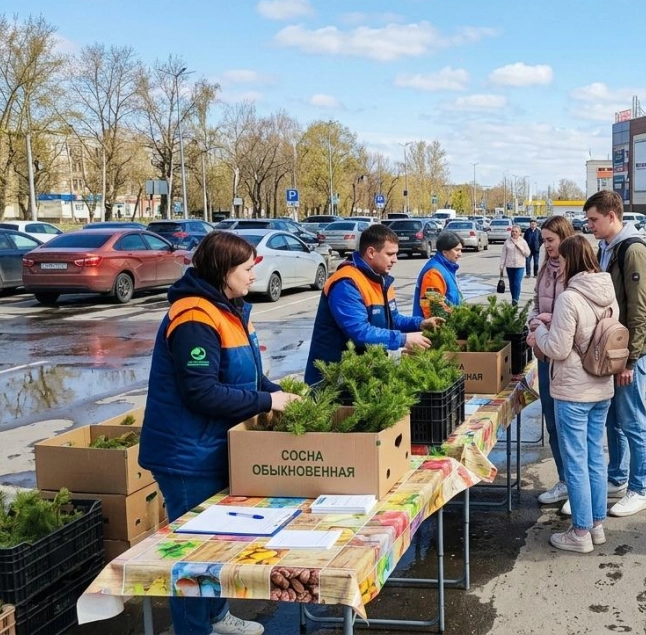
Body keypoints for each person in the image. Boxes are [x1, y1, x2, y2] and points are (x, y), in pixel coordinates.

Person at [140, 231, 299, 635]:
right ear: (223, 271)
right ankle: (193, 628)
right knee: (193, 553)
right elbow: (201, 392)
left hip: (212, 446)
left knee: (219, 542)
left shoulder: (229, 309)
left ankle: (216, 616)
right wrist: (267, 402)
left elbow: (249, 376)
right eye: (247, 269)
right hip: (186, 455)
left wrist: (281, 393)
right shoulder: (194, 317)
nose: (253, 275)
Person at [529, 235, 619, 553]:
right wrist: (553, 323)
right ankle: (595, 525)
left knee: (576, 462)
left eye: (563, 260)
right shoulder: (607, 292)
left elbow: (557, 348)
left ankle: (580, 532)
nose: (560, 265)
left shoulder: (570, 297)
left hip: (573, 390)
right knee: (595, 458)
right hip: (602, 386)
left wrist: (538, 331)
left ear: (572, 260)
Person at [583, 190, 646, 518]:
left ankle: (639, 489)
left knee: (633, 420)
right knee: (613, 418)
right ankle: (617, 478)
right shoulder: (607, 247)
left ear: (612, 216)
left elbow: (640, 312)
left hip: (628, 353)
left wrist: (631, 360)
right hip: (613, 350)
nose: (590, 226)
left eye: (594, 220)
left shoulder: (633, 250)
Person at [305, 224, 441, 385]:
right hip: (334, 379)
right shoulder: (347, 283)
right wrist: (403, 339)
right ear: (371, 252)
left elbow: (393, 319)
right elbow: (359, 332)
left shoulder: (381, 280)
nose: (395, 260)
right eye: (390, 254)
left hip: (365, 373)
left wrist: (420, 323)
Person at [529, 215, 576, 506]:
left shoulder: (577, 269)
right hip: (545, 356)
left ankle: (578, 489)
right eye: (544, 241)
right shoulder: (545, 268)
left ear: (564, 238)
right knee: (553, 423)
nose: (546, 246)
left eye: (550, 240)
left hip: (570, 360)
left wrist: (548, 320)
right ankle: (564, 481)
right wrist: (534, 324)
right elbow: (536, 304)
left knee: (571, 427)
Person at [414, 231, 464, 318]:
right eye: (457, 250)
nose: (460, 254)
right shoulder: (433, 273)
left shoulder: (447, 268)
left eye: (461, 250)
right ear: (445, 252)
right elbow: (431, 307)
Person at [500, 225, 532, 305]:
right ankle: (513, 298)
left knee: (517, 282)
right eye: (513, 231)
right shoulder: (507, 242)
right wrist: (501, 266)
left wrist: (521, 248)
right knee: (511, 283)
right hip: (509, 265)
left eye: (516, 231)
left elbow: (528, 254)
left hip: (519, 266)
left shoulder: (523, 242)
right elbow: (503, 254)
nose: (514, 233)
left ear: (520, 233)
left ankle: (516, 299)